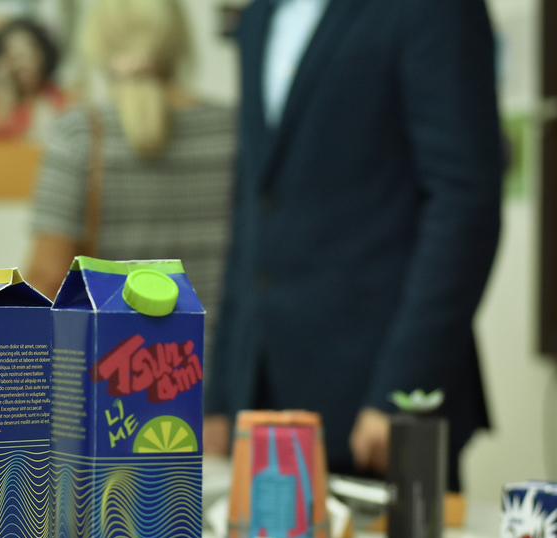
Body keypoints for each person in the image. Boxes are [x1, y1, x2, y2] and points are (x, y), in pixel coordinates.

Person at [204, 0, 503, 492]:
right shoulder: (258, 18)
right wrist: (220, 395)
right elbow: (254, 212)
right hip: (260, 402)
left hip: (378, 410)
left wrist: (402, 391)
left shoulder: (432, 10)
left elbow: (463, 205)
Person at [25, 0, 236, 365]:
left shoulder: (80, 135)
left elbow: (47, 280)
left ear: (96, 43)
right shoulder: (236, 132)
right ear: (179, 40)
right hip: (224, 377)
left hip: (117, 381)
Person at [0, 18, 67, 142]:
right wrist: (4, 95)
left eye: (29, 54)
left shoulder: (55, 98)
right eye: (14, 56)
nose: (23, 63)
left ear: (43, 55)